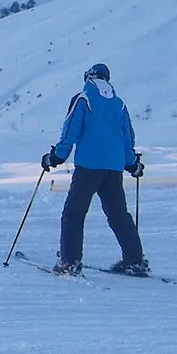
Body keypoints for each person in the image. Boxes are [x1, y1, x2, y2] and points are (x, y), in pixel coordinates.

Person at [41, 62, 147, 275]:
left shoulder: (83, 99)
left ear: (88, 77)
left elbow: (70, 132)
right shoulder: (119, 104)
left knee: (74, 212)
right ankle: (134, 260)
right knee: (118, 214)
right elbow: (127, 138)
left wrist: (55, 157)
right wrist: (132, 164)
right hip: (114, 168)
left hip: (89, 167)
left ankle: (69, 261)